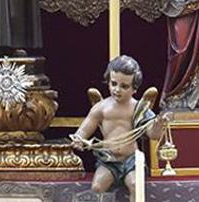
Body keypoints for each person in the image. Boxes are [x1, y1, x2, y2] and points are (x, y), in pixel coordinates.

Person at [70, 56, 169, 194]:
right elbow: (84, 130)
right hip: (108, 161)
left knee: (135, 185)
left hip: (131, 161)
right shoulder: (101, 108)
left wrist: (159, 124)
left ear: (135, 88)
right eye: (114, 83)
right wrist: (79, 139)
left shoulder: (139, 108)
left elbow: (154, 135)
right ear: (108, 82)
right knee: (97, 187)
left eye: (124, 86)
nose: (117, 90)